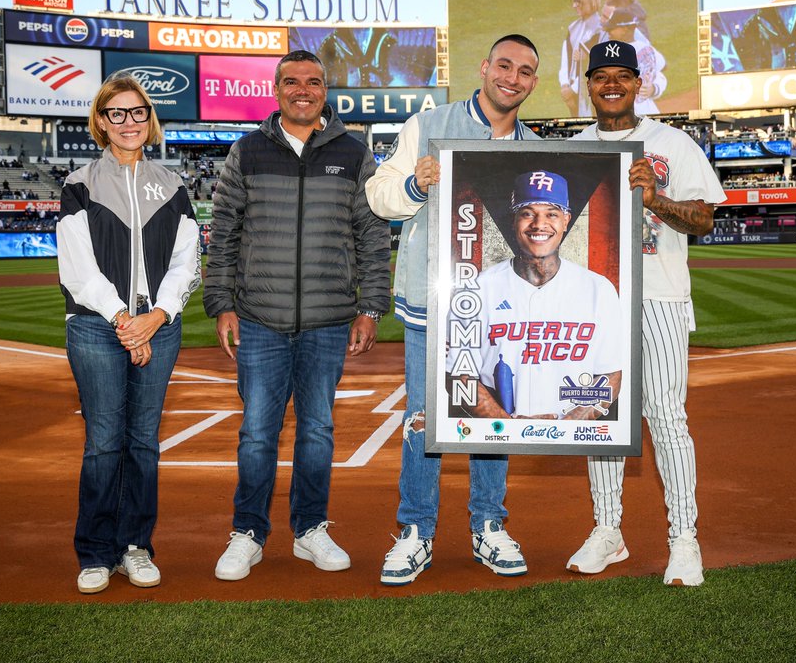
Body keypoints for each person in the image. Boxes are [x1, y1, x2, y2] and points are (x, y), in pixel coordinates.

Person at [203, 50, 390, 582]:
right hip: (260, 318)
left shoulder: (354, 154)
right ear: (277, 89)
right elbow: (224, 235)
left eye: (313, 82)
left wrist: (370, 306)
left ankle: (310, 529)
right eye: (292, 82)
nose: (302, 90)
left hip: (329, 319)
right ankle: (248, 532)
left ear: (325, 91)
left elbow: (373, 237)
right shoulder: (247, 150)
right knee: (258, 433)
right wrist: (222, 304)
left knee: (317, 430)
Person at [365, 34, 541, 586]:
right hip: (431, 302)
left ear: (534, 83)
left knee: (495, 413)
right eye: (505, 65)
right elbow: (380, 194)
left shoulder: (536, 146)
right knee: (424, 417)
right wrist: (416, 183)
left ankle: (488, 523)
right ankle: (416, 529)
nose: (513, 77)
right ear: (485, 67)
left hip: (502, 309)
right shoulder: (429, 124)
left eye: (526, 71)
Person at [566, 40, 725, 586]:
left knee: (665, 416)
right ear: (588, 86)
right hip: (592, 302)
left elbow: (704, 220)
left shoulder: (671, 143)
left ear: (639, 84)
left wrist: (655, 200)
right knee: (598, 417)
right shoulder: (573, 148)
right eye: (600, 76)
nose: (611, 84)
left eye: (622, 76)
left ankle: (684, 539)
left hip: (658, 297)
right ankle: (607, 530)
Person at [57, 73, 201, 595]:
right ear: (101, 121)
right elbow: (78, 270)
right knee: (103, 443)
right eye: (116, 113)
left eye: (138, 112)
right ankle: (96, 552)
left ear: (150, 120)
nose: (128, 122)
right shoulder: (80, 183)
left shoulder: (173, 184)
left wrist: (156, 317)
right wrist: (126, 321)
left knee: (143, 443)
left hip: (158, 327)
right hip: (99, 327)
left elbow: (187, 263)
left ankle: (135, 546)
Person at [452, 170, 624, 420]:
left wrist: (564, 428)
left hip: (571, 432)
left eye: (551, 214)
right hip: (497, 432)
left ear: (566, 220)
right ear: (514, 220)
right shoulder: (478, 288)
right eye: (527, 213)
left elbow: (610, 376)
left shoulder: (599, 289)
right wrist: (508, 428)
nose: (539, 224)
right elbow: (459, 374)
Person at [559, 0, 603, 117]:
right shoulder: (573, 27)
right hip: (573, 89)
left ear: (590, 0)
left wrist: (573, 89)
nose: (574, 6)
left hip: (590, 88)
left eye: (578, 2)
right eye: (573, 2)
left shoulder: (601, 28)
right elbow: (566, 56)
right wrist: (565, 84)